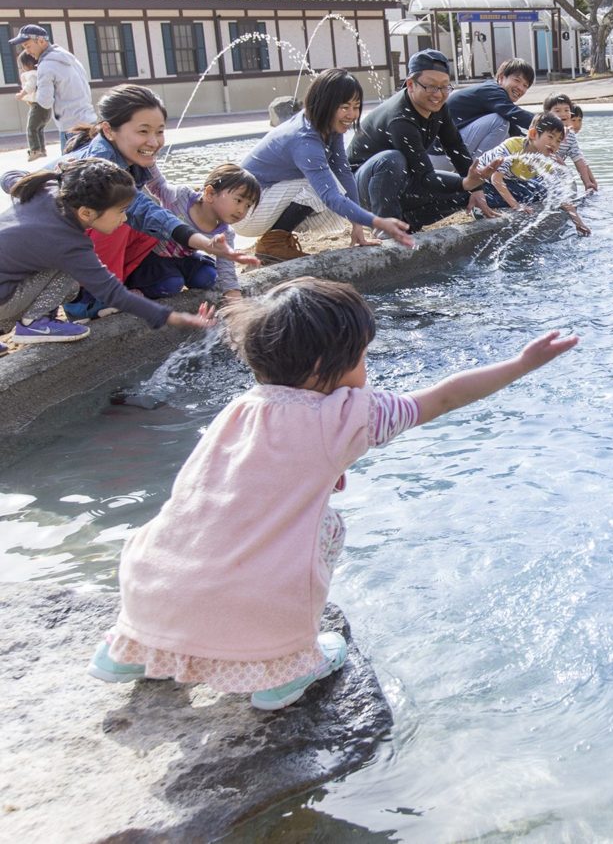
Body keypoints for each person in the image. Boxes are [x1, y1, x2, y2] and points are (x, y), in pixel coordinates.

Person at [88, 276, 578, 710]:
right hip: (253, 607)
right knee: (323, 527)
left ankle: (126, 653)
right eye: (362, 357)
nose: (365, 368)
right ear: (327, 365)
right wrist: (521, 363)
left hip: (149, 584)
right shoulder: (349, 416)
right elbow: (444, 397)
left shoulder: (239, 408)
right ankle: (287, 671)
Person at [60, 85, 258, 320]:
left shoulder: (134, 159)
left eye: (160, 131)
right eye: (143, 131)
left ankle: (116, 286)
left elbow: (151, 207)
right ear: (109, 130)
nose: (154, 142)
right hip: (59, 258)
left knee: (147, 228)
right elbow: (141, 208)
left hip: (85, 253)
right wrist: (201, 241)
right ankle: (87, 301)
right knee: (119, 217)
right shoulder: (100, 164)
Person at [0, 159, 215, 356]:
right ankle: (36, 322)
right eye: (121, 211)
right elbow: (112, 293)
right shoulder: (70, 243)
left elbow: (9, 176)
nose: (125, 218)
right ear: (86, 213)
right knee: (71, 278)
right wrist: (175, 317)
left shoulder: (47, 188)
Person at [237, 69, 413, 263]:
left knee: (335, 187)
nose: (352, 114)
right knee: (323, 187)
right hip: (246, 210)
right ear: (325, 104)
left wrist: (357, 225)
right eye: (345, 107)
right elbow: (329, 194)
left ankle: (277, 238)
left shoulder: (326, 126)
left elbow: (343, 170)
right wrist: (377, 222)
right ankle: (273, 244)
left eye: (356, 107)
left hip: (265, 202)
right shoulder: (304, 140)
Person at [347, 50, 488, 232]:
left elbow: (454, 146)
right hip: (361, 189)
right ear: (411, 84)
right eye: (430, 87)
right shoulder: (400, 119)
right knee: (392, 159)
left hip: (402, 181)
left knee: (466, 194)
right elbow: (424, 177)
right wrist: (466, 183)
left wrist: (475, 187)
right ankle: (386, 229)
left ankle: (406, 223)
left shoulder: (439, 107)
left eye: (444, 87)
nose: (438, 94)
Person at [130, 164, 261, 302]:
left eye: (248, 205)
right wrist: (149, 162)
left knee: (208, 277)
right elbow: (158, 184)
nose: (242, 210)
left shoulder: (225, 233)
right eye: (238, 200)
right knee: (172, 284)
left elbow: (226, 268)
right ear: (210, 194)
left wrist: (235, 300)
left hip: (184, 259)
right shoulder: (181, 197)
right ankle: (138, 291)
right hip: (153, 257)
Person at [473, 112, 591, 236]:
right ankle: (480, 206)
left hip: (510, 182)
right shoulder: (513, 147)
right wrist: (517, 206)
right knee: (494, 193)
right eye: (550, 137)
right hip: (483, 183)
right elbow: (496, 179)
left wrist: (578, 222)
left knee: (542, 190)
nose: (554, 144)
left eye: (558, 141)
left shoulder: (544, 159)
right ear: (533, 134)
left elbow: (558, 192)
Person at [9, 24, 96, 152]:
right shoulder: (71, 58)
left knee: (71, 170)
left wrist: (32, 93)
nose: (27, 51)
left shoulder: (46, 65)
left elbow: (45, 102)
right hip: (90, 121)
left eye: (28, 46)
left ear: (41, 41)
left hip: (70, 128)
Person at [445, 58, 536, 157]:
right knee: (499, 122)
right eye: (517, 80)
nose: (520, 88)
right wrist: (546, 123)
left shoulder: (495, 98)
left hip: (449, 149)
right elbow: (514, 114)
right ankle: (478, 171)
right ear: (501, 78)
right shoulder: (492, 90)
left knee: (507, 136)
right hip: (443, 152)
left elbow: (514, 131)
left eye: (525, 85)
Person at [541, 94, 599, 193]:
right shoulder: (543, 132)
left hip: (556, 174)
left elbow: (578, 159)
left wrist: (587, 182)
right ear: (547, 114)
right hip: (539, 173)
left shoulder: (570, 136)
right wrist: (566, 171)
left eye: (566, 110)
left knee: (571, 189)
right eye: (557, 111)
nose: (563, 114)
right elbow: (549, 155)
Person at [15, 51, 50, 162]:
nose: (21, 69)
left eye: (22, 66)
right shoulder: (40, 73)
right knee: (38, 128)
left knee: (31, 128)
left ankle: (35, 150)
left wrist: (22, 94)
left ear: (28, 64)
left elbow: (30, 85)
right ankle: (41, 149)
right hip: (44, 106)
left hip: (37, 106)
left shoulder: (32, 74)